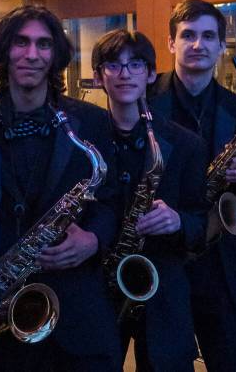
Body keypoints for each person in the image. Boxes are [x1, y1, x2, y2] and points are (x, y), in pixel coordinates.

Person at [0, 4, 120, 371]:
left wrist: (93, 239)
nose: (32, 54)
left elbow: (111, 202)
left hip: (75, 313)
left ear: (55, 56)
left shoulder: (91, 122)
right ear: (3, 52)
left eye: (44, 45)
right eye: (21, 43)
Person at [147, 0, 236, 372]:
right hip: (162, 258)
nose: (198, 45)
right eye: (188, 35)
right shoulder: (145, 101)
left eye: (209, 36)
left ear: (221, 45)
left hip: (220, 262)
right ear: (170, 43)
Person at [91, 29, 208, 371]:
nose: (125, 74)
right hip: (99, 290)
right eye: (113, 65)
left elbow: (201, 223)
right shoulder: (83, 142)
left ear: (152, 74)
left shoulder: (187, 144)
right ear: (99, 77)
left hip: (163, 289)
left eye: (136, 64)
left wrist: (178, 221)